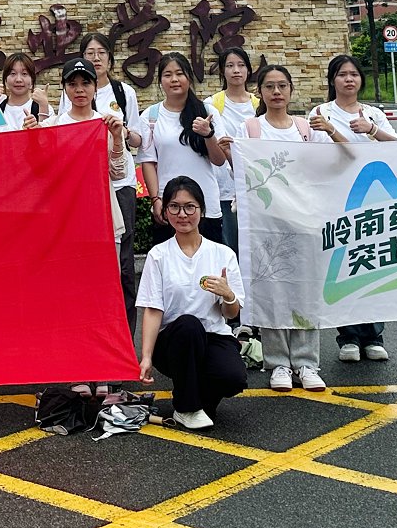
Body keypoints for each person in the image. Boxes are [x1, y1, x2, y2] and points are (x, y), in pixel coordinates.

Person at [224, 62, 350, 394]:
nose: (276, 92)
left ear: (291, 90)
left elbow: (340, 159)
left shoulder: (306, 128)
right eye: (269, 86)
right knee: (272, 291)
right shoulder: (250, 128)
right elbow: (243, 173)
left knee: (305, 289)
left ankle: (307, 362)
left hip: (305, 221)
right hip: (265, 226)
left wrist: (331, 130)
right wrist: (228, 152)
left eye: (282, 86)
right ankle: (278, 362)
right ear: (260, 93)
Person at [311, 54, 397, 364]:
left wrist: (371, 129)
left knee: (374, 264)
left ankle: (374, 335)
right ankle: (348, 336)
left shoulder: (374, 114)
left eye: (353, 74)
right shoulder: (321, 113)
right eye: (342, 74)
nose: (348, 79)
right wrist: (329, 130)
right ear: (332, 80)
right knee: (344, 266)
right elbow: (314, 156)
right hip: (338, 199)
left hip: (374, 200)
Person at [136, 176, 247, 429]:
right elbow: (153, 310)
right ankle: (187, 408)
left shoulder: (222, 253)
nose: (182, 214)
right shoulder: (158, 255)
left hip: (212, 336)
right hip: (174, 341)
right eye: (174, 207)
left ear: (202, 210)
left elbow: (231, 314)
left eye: (190, 207)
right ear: (165, 211)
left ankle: (194, 401)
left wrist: (228, 294)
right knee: (188, 325)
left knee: (233, 377)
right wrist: (146, 357)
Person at [58, 34, 144, 319]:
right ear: (65, 89)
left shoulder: (103, 123)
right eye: (73, 84)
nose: (79, 90)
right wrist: (32, 134)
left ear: (95, 87)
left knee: (110, 279)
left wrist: (118, 138)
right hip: (70, 215)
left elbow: (118, 171)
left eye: (85, 83)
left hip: (105, 211)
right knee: (73, 280)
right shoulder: (55, 125)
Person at [140, 53, 228, 247]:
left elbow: (219, 160)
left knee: (208, 261)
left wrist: (208, 135)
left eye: (179, 73)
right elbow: (148, 162)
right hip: (169, 204)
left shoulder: (207, 112)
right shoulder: (151, 115)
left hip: (205, 205)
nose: (174, 79)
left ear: (189, 76)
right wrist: (156, 199)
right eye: (167, 75)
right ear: (160, 81)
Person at [207, 48, 258, 254]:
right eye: (230, 66)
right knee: (229, 248)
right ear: (222, 71)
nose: (236, 70)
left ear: (248, 70)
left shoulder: (259, 104)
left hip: (256, 185)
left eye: (241, 65)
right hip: (225, 188)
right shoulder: (212, 105)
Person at [0, 52, 50, 130]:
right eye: (13, 73)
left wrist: (43, 109)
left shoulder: (43, 107)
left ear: (32, 80)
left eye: (24, 74)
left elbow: (50, 136)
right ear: (5, 80)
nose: (18, 79)